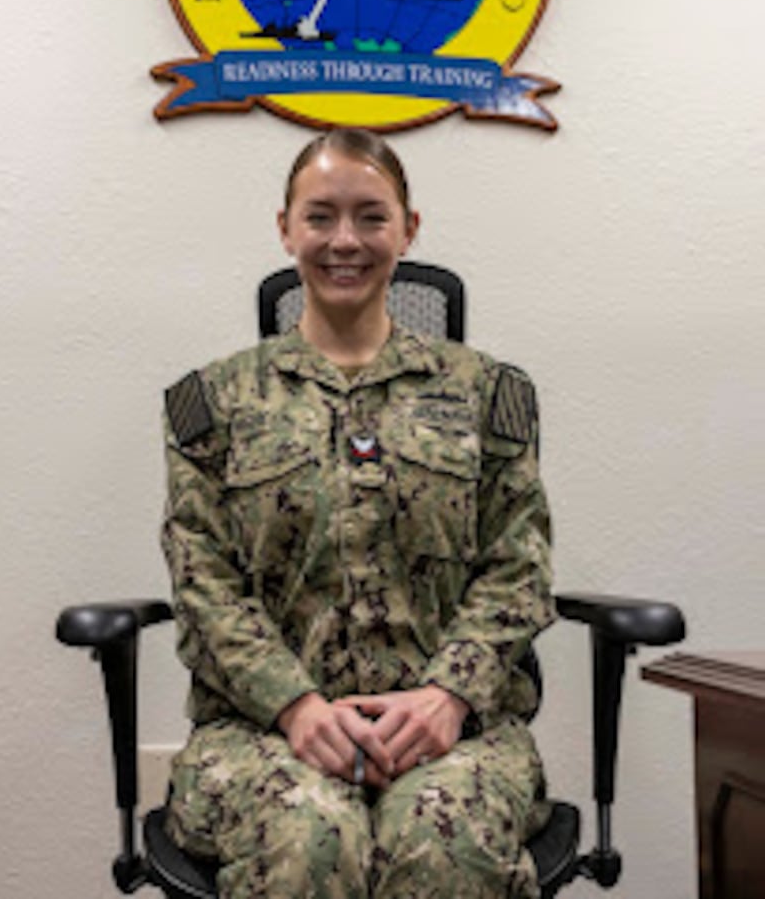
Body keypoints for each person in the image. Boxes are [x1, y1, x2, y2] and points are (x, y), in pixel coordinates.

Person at [161, 127, 555, 899]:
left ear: (409, 229)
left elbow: (518, 568)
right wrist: (295, 706)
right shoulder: (213, 404)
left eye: (372, 216)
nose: (346, 239)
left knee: (439, 836)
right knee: (310, 833)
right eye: (321, 216)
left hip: (456, 733)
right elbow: (204, 583)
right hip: (260, 735)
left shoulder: (488, 394)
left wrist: (447, 697)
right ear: (285, 229)